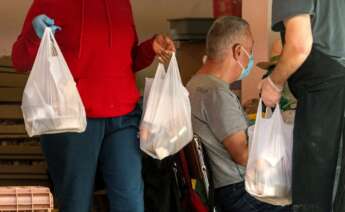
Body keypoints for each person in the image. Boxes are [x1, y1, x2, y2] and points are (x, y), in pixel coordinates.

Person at [11, 0, 175, 212]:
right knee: (76, 204)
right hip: (72, 121)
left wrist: (149, 48)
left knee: (131, 203)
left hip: (123, 116)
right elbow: (19, 60)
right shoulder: (50, 2)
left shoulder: (121, 4)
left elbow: (126, 61)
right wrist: (34, 35)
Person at [186, 16, 291, 212]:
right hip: (239, 192)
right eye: (250, 51)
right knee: (305, 200)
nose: (250, 58)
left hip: (224, 189)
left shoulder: (194, 85)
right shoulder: (217, 93)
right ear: (238, 51)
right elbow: (242, 155)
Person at [260, 1, 345, 211]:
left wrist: (274, 82)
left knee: (316, 196)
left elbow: (299, 45)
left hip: (326, 96)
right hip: (332, 89)